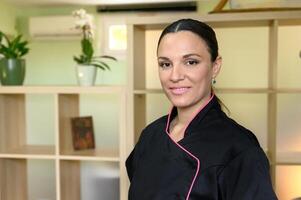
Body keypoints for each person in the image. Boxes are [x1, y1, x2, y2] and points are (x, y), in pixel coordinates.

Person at [126, 18, 278, 200]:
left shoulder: (240, 149)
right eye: (165, 64)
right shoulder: (151, 135)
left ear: (215, 67)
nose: (175, 76)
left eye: (191, 62)